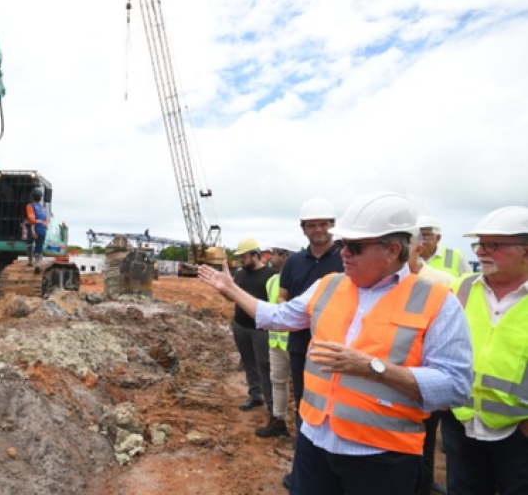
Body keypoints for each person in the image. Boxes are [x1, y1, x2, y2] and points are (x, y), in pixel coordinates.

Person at [198, 192, 473, 495]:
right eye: (343, 245)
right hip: (314, 443)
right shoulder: (329, 285)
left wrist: (374, 368)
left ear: (393, 249)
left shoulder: (437, 302)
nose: (344, 254)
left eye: (354, 247)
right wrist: (231, 289)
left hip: (381, 457)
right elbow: (277, 316)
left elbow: (456, 385)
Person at [441, 206, 528, 495]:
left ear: (525, 251)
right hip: (461, 423)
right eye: (480, 244)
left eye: (494, 245)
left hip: (519, 432)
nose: (481, 252)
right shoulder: (461, 288)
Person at [278, 197, 345, 489]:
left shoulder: (346, 258)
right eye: (311, 225)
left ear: (332, 226)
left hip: (337, 348)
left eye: (323, 224)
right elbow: (282, 297)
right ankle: (304, 472)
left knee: (339, 408)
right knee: (305, 408)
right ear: (303, 229)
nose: (318, 230)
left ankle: (339, 472)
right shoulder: (293, 262)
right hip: (301, 346)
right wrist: (298, 313)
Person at [408, 230, 455, 495]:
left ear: (416, 248)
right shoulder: (386, 281)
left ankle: (423, 485)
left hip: (428, 375)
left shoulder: (442, 281)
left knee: (425, 439)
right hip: (395, 377)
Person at [256, 235, 301, 438]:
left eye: (274, 253)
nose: (271, 256)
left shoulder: (302, 278)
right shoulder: (273, 281)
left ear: (285, 256)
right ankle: (278, 421)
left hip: (296, 344)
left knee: (302, 387)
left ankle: (303, 430)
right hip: (276, 342)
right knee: (278, 382)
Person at [229, 238, 277, 420]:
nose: (242, 259)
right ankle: (255, 395)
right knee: (249, 362)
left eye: (244, 256)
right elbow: (232, 297)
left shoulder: (271, 275)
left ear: (255, 255)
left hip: (261, 330)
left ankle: (273, 407)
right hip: (241, 326)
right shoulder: (240, 274)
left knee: (265, 365)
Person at [25, 188, 48, 273]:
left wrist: (34, 226)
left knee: (29, 243)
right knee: (39, 247)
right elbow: (46, 219)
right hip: (42, 229)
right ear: (40, 198)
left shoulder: (30, 206)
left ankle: (30, 261)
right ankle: (38, 263)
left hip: (35, 227)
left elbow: (31, 218)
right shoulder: (43, 208)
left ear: (32, 197)